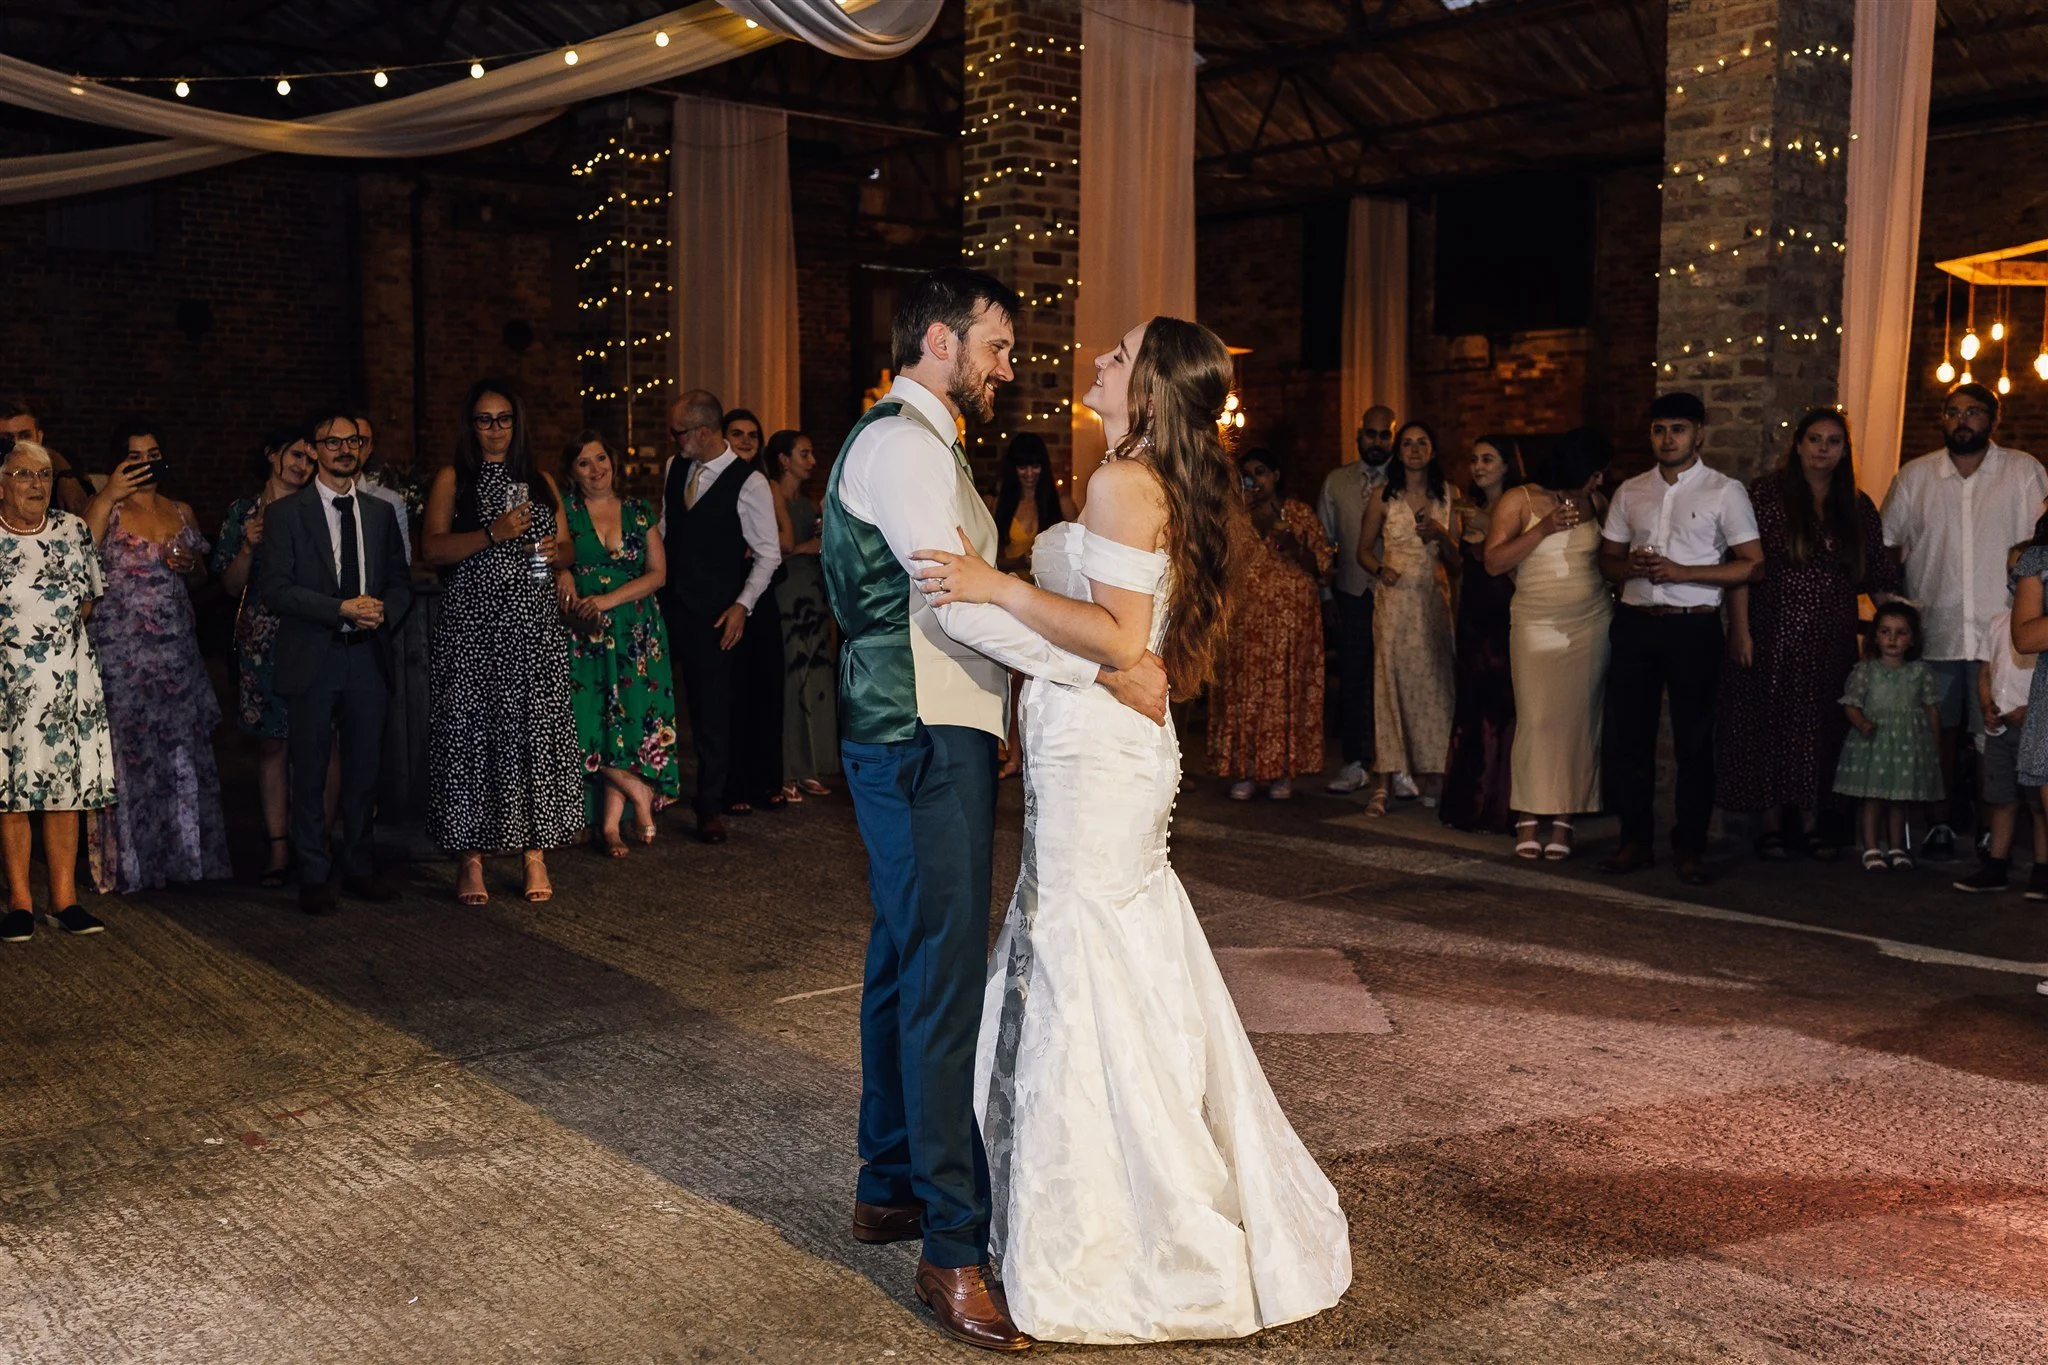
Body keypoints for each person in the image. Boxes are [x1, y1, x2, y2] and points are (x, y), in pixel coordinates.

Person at [912, 313, 1351, 1345]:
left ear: (1151, 386)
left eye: (1119, 354)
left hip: (1100, 757)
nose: (1100, 361)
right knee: (1105, 942)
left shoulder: (1122, 481)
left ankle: (1106, 1226)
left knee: (1083, 950)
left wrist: (996, 585)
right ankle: (1094, 1182)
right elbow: (1132, 646)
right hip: (1100, 741)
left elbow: (1118, 637)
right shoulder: (1141, 476)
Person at [817, 269, 1172, 1351]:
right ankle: (952, 1248)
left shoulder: (924, 444)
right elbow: (956, 603)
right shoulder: (903, 449)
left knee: (902, 955)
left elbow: (961, 599)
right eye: (998, 346)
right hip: (918, 735)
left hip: (927, 727)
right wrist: (1100, 668)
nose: (1009, 367)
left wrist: (1007, 700)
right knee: (940, 982)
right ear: (940, 340)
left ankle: (888, 1182)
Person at [421, 380, 584, 904]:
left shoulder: (539, 480)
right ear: (471, 426)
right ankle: (471, 860)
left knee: (531, 732)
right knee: (471, 733)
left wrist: (554, 553)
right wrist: (493, 533)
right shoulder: (454, 477)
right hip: (473, 628)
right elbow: (433, 550)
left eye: (504, 418)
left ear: (517, 423)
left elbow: (569, 548)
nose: (495, 429)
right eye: (484, 419)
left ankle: (534, 853)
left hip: (532, 628)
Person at [1717, 410, 1900, 861]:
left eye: (1833, 442)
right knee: (1770, 725)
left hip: (1831, 636)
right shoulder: (1764, 495)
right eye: (1815, 439)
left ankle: (1813, 824)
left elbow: (1876, 576)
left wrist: (1903, 626)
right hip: (1771, 628)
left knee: (1821, 728)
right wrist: (1740, 630)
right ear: (1797, 444)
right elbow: (1741, 567)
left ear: (1844, 451)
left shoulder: (1856, 506)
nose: (1823, 449)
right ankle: (1771, 826)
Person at [1597, 393, 1764, 885]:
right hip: (1635, 622)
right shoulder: (1630, 491)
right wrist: (1628, 566)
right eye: (1659, 429)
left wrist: (1683, 571)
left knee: (1694, 741)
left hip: (1693, 626)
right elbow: (1606, 560)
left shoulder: (1724, 491)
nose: (1667, 439)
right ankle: (1634, 841)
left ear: (1698, 434)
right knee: (1631, 737)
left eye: (1678, 429)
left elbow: (1754, 565)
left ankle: (1690, 847)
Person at [1881, 381, 2048, 861]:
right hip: (1936, 628)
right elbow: (1887, 545)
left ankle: (1989, 832)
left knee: (1993, 740)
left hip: (2005, 636)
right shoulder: (1915, 476)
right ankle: (1936, 824)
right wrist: (1891, 605)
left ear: (1994, 420)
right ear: (1942, 418)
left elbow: (2043, 543)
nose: (1962, 420)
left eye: (1974, 412)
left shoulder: (2023, 471)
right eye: (1953, 411)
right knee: (1935, 735)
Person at [258, 412, 413, 915]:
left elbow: (400, 581)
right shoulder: (287, 514)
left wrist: (385, 611)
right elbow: (275, 589)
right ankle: (313, 873)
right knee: (309, 770)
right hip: (313, 655)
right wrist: (339, 608)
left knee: (365, 770)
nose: (344, 449)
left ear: (363, 449)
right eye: (332, 442)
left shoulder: (380, 513)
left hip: (367, 655)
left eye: (353, 441)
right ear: (315, 449)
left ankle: (359, 866)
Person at [82, 420, 231, 893]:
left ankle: (186, 862)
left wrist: (190, 566)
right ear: (119, 461)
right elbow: (79, 560)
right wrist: (109, 493)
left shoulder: (180, 511)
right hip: (122, 657)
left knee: (180, 756)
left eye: (153, 454)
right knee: (130, 760)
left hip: (176, 656)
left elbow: (202, 576)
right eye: (135, 456)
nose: (146, 464)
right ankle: (133, 866)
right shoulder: (105, 508)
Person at [0, 439, 113, 941]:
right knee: (12, 792)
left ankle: (64, 900)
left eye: (44, 475)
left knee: (64, 791)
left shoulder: (73, 531)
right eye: (23, 474)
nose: (37, 485)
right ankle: (20, 903)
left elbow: (86, 602)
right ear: (1, 485)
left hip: (67, 681)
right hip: (7, 684)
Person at [1483, 429, 1613, 860]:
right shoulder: (1519, 499)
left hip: (1590, 622)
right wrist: (1543, 529)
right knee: (1537, 719)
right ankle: (1527, 814)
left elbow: (1607, 559)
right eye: (1596, 473)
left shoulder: (1597, 503)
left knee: (1579, 721)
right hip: (1536, 622)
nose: (1600, 481)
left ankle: (1563, 818)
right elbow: (1493, 562)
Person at [659, 390, 782, 843]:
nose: (674, 440)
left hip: (715, 614)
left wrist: (741, 606)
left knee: (712, 712)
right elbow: (667, 527)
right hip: (669, 605)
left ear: (703, 432)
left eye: (678, 432)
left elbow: (769, 555)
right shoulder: (675, 468)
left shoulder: (750, 483)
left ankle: (708, 806)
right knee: (656, 698)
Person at [557, 431, 679, 855]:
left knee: (627, 722)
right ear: (572, 472)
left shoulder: (639, 511)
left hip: (636, 631)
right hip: (584, 631)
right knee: (586, 723)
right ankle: (638, 792)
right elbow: (555, 561)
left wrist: (607, 600)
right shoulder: (566, 513)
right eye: (584, 462)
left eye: (600, 459)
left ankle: (611, 826)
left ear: (612, 461)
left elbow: (658, 574)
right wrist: (566, 583)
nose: (596, 469)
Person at [214, 428, 319, 887]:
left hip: (310, 634)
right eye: (296, 454)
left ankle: (314, 843)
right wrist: (249, 546)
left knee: (315, 743)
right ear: (272, 455)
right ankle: (277, 848)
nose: (303, 465)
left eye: (311, 459)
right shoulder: (244, 512)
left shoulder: (317, 507)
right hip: (260, 642)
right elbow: (229, 585)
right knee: (272, 744)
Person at [1208, 448, 1332, 800]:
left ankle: (1282, 772)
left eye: (1260, 472)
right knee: (1243, 691)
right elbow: (1215, 562)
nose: (1255, 481)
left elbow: (1323, 569)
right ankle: (1244, 770)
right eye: (1247, 475)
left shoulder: (1298, 513)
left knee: (1285, 692)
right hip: (1245, 621)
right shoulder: (1233, 516)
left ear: (1276, 475)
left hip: (1291, 622)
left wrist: (1291, 543)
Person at [1357, 420, 1460, 815]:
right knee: (1389, 685)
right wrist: (1381, 569)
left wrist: (1441, 536)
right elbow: (1363, 551)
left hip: (1432, 600)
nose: (1415, 449)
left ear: (1433, 450)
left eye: (1422, 442)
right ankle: (1383, 781)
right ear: (1399, 453)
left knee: (1436, 687)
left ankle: (1436, 774)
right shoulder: (1383, 495)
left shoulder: (1449, 495)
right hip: (1395, 602)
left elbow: (1457, 561)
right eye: (1408, 443)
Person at [1438, 435, 1522, 834]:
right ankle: (1467, 804)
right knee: (1472, 707)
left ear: (1507, 465)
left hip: (1504, 618)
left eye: (1488, 459)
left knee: (1501, 710)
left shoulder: (1518, 509)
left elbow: (1517, 568)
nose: (1478, 467)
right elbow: (1458, 569)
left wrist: (1491, 530)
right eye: (1474, 460)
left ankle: (1500, 807)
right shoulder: (1468, 509)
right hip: (1472, 619)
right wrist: (1443, 537)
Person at [1956, 544, 2046, 894]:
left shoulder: (2038, 629)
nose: (2017, 577)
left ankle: (2042, 868)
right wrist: (1986, 703)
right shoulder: (1997, 623)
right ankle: (1996, 863)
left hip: (2033, 726)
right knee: (2002, 798)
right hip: (2001, 728)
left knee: (2038, 803)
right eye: (2012, 571)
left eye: (2024, 571)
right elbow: (1986, 669)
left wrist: (2032, 709)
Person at [1318, 405, 1396, 794]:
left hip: (1396, 595)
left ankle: (1394, 762)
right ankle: (1355, 761)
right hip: (1351, 592)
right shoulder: (1337, 481)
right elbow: (1323, 542)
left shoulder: (1405, 481)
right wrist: (1326, 595)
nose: (1377, 442)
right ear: (1359, 435)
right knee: (1353, 678)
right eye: (1371, 434)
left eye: (1385, 435)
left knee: (1393, 678)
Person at [1836, 602, 1943, 872]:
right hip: (1875, 745)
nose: (1892, 639)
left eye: (1901, 633)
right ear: (1875, 636)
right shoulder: (1866, 671)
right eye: (1885, 632)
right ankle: (1871, 847)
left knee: (1899, 799)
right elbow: (1851, 704)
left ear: (1912, 639)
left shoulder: (1919, 673)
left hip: (1906, 747)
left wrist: (1933, 742)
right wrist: (1861, 723)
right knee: (1872, 799)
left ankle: (1897, 846)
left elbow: (1931, 709)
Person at [765, 429, 837, 800]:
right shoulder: (770, 493)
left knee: (815, 676)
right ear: (783, 459)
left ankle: (810, 765)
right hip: (787, 591)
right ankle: (785, 768)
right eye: (804, 454)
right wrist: (811, 544)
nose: (812, 461)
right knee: (791, 676)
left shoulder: (809, 505)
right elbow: (785, 546)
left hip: (812, 590)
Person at [722, 407, 787, 816]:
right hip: (728, 595)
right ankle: (735, 784)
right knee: (735, 695)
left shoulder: (763, 482)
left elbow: (779, 541)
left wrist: (759, 541)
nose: (745, 441)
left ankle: (768, 780)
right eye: (737, 433)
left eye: (751, 435)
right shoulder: (712, 481)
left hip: (762, 598)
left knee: (767, 691)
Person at [992, 433, 1074, 573]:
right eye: (1022, 467)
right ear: (1013, 468)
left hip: (1049, 582)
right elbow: (989, 559)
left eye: (1035, 466)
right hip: (1010, 580)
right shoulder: (997, 503)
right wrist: (1020, 561)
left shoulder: (1062, 502)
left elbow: (1077, 549)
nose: (1029, 473)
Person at [0, 397, 90, 513]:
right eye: (7, 439)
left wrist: (66, 475)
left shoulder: (61, 487)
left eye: (25, 436)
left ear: (39, 438)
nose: (17, 444)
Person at [350, 411, 414, 564]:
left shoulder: (388, 501)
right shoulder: (313, 498)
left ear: (370, 448)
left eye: (362, 441)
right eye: (351, 439)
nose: (353, 448)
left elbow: (401, 562)